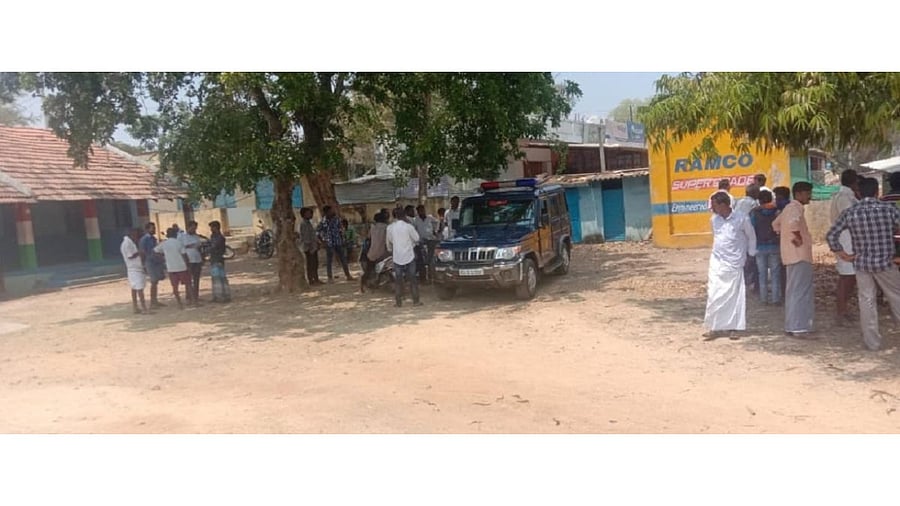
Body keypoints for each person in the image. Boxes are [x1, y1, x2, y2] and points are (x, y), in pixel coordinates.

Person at [827, 177, 900, 351]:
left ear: (859, 192)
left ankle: (872, 342)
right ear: (877, 192)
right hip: (886, 263)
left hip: (862, 264)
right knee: (897, 298)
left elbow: (831, 235)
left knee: (866, 302)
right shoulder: (889, 209)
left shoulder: (851, 212)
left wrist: (844, 255)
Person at [703, 192, 757, 340]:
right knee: (714, 294)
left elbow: (751, 237)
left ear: (723, 205)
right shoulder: (714, 220)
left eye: (714, 206)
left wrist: (751, 255)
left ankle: (734, 328)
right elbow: (717, 237)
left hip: (735, 263)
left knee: (734, 296)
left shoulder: (741, 218)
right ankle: (715, 327)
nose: (712, 209)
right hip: (717, 262)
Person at [773, 181, 815, 337]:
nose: (810, 196)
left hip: (791, 255)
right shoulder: (794, 207)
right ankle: (799, 327)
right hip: (799, 255)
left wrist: (785, 238)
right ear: (799, 194)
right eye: (807, 193)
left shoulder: (788, 208)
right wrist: (799, 241)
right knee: (800, 291)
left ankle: (794, 325)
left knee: (794, 291)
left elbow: (775, 225)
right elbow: (793, 226)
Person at [829, 169, 859, 326]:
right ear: (854, 182)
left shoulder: (844, 195)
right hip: (846, 241)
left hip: (848, 240)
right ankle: (840, 313)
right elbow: (850, 219)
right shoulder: (844, 197)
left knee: (850, 277)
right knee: (846, 278)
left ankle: (844, 310)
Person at [749, 190, 781, 305]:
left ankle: (764, 298)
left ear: (759, 200)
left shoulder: (754, 213)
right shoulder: (777, 211)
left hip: (760, 246)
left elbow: (751, 229)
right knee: (775, 273)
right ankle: (776, 298)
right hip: (774, 245)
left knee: (761, 273)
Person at [386, 207, 421, 307]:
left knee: (398, 279)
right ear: (404, 215)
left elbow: (389, 242)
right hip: (409, 256)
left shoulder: (390, 228)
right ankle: (416, 301)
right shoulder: (408, 226)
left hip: (397, 256)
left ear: (394, 216)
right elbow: (417, 238)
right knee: (413, 279)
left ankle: (398, 302)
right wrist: (412, 243)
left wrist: (391, 249)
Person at [154, 227, 191, 309]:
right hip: (181, 266)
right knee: (188, 284)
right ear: (175, 234)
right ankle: (191, 300)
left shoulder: (164, 243)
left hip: (171, 267)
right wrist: (188, 264)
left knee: (175, 287)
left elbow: (155, 251)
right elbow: (184, 255)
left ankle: (179, 303)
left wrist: (163, 258)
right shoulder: (178, 243)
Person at [734, 183, 761, 292]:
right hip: (751, 233)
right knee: (753, 259)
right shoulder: (754, 204)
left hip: (739, 235)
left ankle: (742, 283)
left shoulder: (739, 202)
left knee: (743, 260)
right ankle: (754, 284)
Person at [316, 206, 353, 283]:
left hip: (338, 242)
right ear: (326, 212)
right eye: (330, 211)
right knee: (329, 261)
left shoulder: (336, 219)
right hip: (329, 243)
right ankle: (330, 278)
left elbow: (341, 230)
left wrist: (343, 239)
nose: (332, 212)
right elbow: (317, 232)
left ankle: (348, 275)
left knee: (343, 259)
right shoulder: (323, 222)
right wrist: (322, 241)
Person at [120, 227, 148, 315]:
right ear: (132, 234)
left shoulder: (130, 242)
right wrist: (139, 252)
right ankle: (144, 308)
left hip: (135, 268)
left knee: (134, 288)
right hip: (134, 269)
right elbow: (130, 256)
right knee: (139, 288)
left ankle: (135, 307)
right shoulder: (127, 243)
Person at [138, 222, 166, 309]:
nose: (154, 230)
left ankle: (155, 300)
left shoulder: (153, 238)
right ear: (147, 229)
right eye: (152, 228)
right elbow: (142, 252)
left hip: (155, 261)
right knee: (153, 281)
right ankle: (153, 302)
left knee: (156, 281)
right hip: (149, 262)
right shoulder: (144, 239)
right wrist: (143, 264)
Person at [360, 211, 389, 293]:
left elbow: (369, 237)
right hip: (382, 252)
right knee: (382, 270)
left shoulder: (373, 227)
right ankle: (377, 283)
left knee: (369, 270)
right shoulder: (386, 227)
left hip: (372, 252)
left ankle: (362, 285)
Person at [413, 204, 440, 283]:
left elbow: (437, 222)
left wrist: (436, 231)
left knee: (431, 259)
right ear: (417, 212)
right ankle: (423, 278)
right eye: (419, 211)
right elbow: (414, 230)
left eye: (423, 210)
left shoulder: (430, 218)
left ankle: (432, 277)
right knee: (421, 260)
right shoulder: (415, 220)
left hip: (430, 241)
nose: (422, 212)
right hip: (420, 242)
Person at [180, 220, 204, 306]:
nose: (194, 230)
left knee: (196, 279)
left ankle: (196, 296)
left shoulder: (196, 236)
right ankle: (188, 297)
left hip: (197, 259)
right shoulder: (182, 236)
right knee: (188, 280)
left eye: (195, 228)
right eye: (192, 228)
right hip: (188, 260)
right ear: (188, 227)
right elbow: (181, 247)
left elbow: (199, 246)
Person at [207, 220, 231, 303]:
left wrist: (207, 249)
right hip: (214, 259)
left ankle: (222, 296)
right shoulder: (213, 237)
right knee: (216, 278)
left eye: (212, 227)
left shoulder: (220, 238)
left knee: (219, 278)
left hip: (218, 259)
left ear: (216, 227)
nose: (211, 229)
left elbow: (214, 247)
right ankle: (217, 296)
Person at [299, 207, 322, 286]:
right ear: (304, 214)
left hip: (313, 247)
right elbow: (306, 238)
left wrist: (317, 242)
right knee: (311, 264)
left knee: (315, 264)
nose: (310, 215)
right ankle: (311, 280)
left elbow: (313, 235)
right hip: (309, 248)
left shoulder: (308, 223)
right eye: (308, 213)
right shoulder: (304, 224)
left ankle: (315, 279)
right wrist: (311, 247)